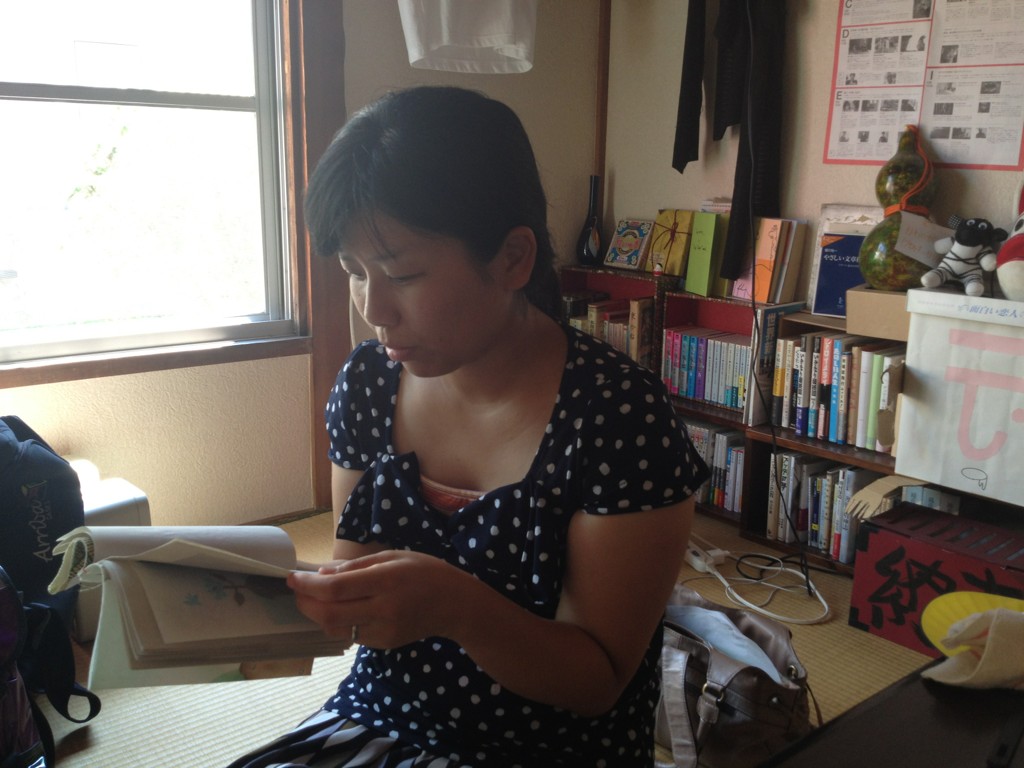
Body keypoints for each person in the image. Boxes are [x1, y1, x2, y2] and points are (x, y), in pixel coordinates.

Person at [228, 85, 709, 768]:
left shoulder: (617, 417)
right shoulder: (369, 384)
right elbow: (355, 575)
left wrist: (457, 609)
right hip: (384, 714)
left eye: (402, 274)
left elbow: (597, 680)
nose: (373, 309)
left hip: (552, 749)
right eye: (353, 272)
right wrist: (257, 610)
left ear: (512, 258)